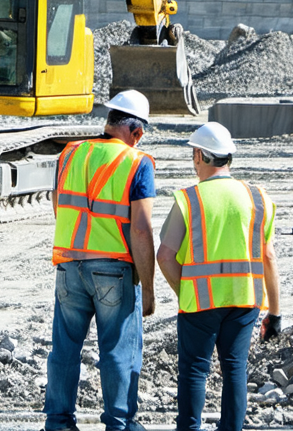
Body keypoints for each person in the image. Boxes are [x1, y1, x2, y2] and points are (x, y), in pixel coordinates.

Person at [44, 90, 156, 431]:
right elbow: (141, 229)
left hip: (69, 266)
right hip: (114, 271)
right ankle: (120, 423)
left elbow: (58, 202)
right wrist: (149, 288)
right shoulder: (138, 163)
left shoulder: (71, 153)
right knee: (118, 351)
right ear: (136, 133)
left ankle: (58, 423)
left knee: (64, 349)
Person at [157, 122, 280, 431]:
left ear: (200, 155)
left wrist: (185, 289)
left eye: (193, 155)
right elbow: (268, 256)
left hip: (200, 302)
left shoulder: (189, 199)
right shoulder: (258, 197)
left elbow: (165, 256)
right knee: (235, 370)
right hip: (244, 300)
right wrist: (275, 313)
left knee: (195, 372)